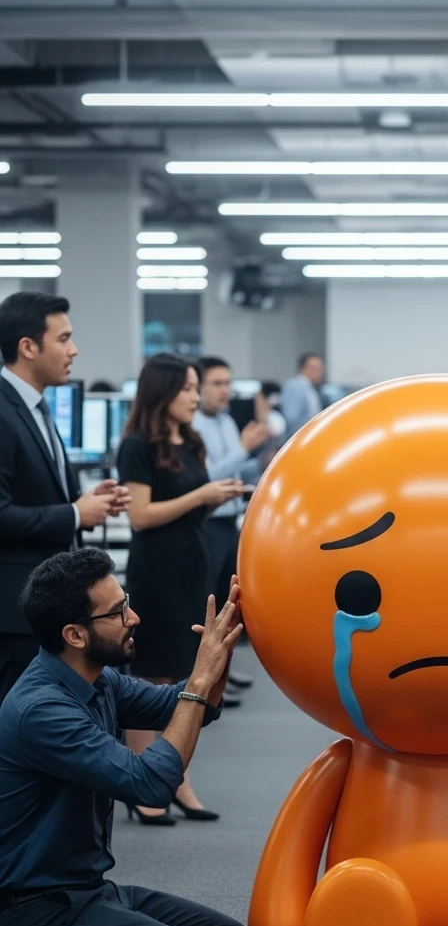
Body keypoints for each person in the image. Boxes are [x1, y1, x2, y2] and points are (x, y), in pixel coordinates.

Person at [0, 548, 250, 926]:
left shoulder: (98, 680)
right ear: (75, 634)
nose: (133, 617)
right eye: (117, 612)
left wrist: (219, 654)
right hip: (36, 911)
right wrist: (199, 680)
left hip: (88, 889)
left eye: (125, 601)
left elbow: (189, 704)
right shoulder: (41, 711)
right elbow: (151, 784)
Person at [117, 354, 245, 822]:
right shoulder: (137, 445)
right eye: (189, 388)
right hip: (156, 571)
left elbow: (190, 510)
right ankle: (138, 784)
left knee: (184, 677)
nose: (196, 397)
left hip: (191, 565)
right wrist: (201, 496)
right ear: (164, 391)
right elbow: (141, 516)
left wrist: (214, 499)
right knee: (149, 677)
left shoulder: (190, 444)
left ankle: (176, 779)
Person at [0, 291, 129, 703]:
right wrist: (74, 513)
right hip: (16, 611)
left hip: (46, 606)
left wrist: (86, 502)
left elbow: (37, 492)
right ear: (28, 347)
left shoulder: (36, 407)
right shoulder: (3, 412)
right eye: (63, 339)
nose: (73, 351)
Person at [193, 357, 269, 695]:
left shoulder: (225, 422)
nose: (226, 391)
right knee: (206, 601)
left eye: (228, 384)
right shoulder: (193, 426)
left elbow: (234, 474)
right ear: (200, 387)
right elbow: (207, 479)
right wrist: (243, 449)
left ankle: (222, 669)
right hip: (208, 523)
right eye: (218, 384)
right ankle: (201, 677)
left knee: (228, 601)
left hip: (229, 523)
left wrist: (259, 462)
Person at [280, 351, 325, 437]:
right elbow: (291, 418)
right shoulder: (294, 386)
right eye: (314, 368)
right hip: (299, 438)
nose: (319, 372)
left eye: (321, 368)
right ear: (302, 368)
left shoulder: (310, 388)